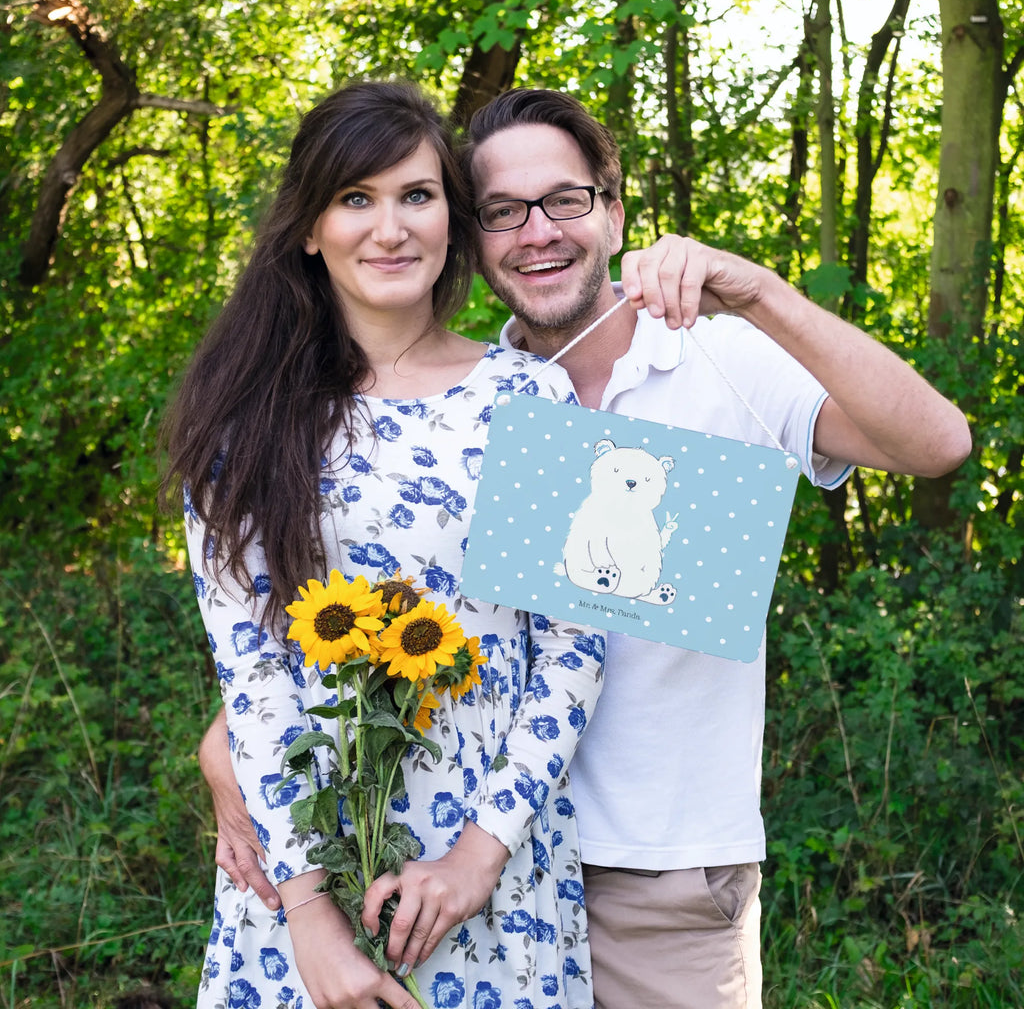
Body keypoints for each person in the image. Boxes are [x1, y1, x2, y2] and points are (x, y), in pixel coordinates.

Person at [201, 87, 972, 1009]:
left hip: (651, 872)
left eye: (564, 200)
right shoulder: (457, 400)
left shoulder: (706, 360)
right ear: (474, 235)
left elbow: (938, 446)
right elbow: (341, 618)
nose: (537, 232)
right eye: (502, 212)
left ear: (612, 210)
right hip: (425, 861)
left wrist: (759, 291)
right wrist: (233, 754)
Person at [163, 81, 608, 1009]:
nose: (390, 228)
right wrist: (311, 921)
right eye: (355, 199)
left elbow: (571, 648)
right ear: (309, 229)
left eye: (417, 195)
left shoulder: (530, 401)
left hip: (491, 872)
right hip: (302, 870)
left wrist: (478, 858)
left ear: (452, 215)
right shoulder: (245, 424)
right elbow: (253, 676)